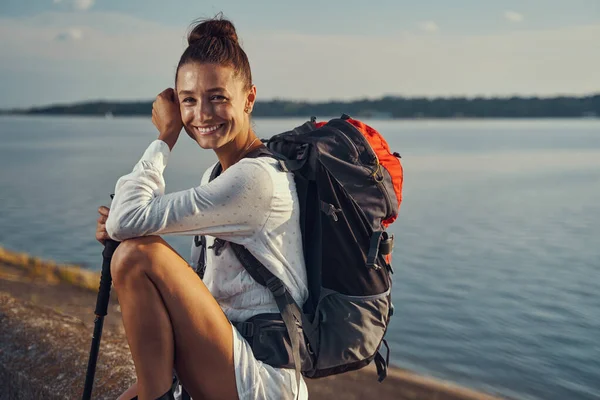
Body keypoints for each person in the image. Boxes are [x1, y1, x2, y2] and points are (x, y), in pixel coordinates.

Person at [96, 16, 309, 400]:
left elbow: (129, 222)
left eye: (218, 97)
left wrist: (166, 136)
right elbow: (192, 275)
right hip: (224, 354)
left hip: (262, 378)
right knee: (133, 249)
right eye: (188, 100)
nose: (202, 114)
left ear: (249, 99)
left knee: (132, 255)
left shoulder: (253, 180)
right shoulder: (215, 174)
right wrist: (122, 227)